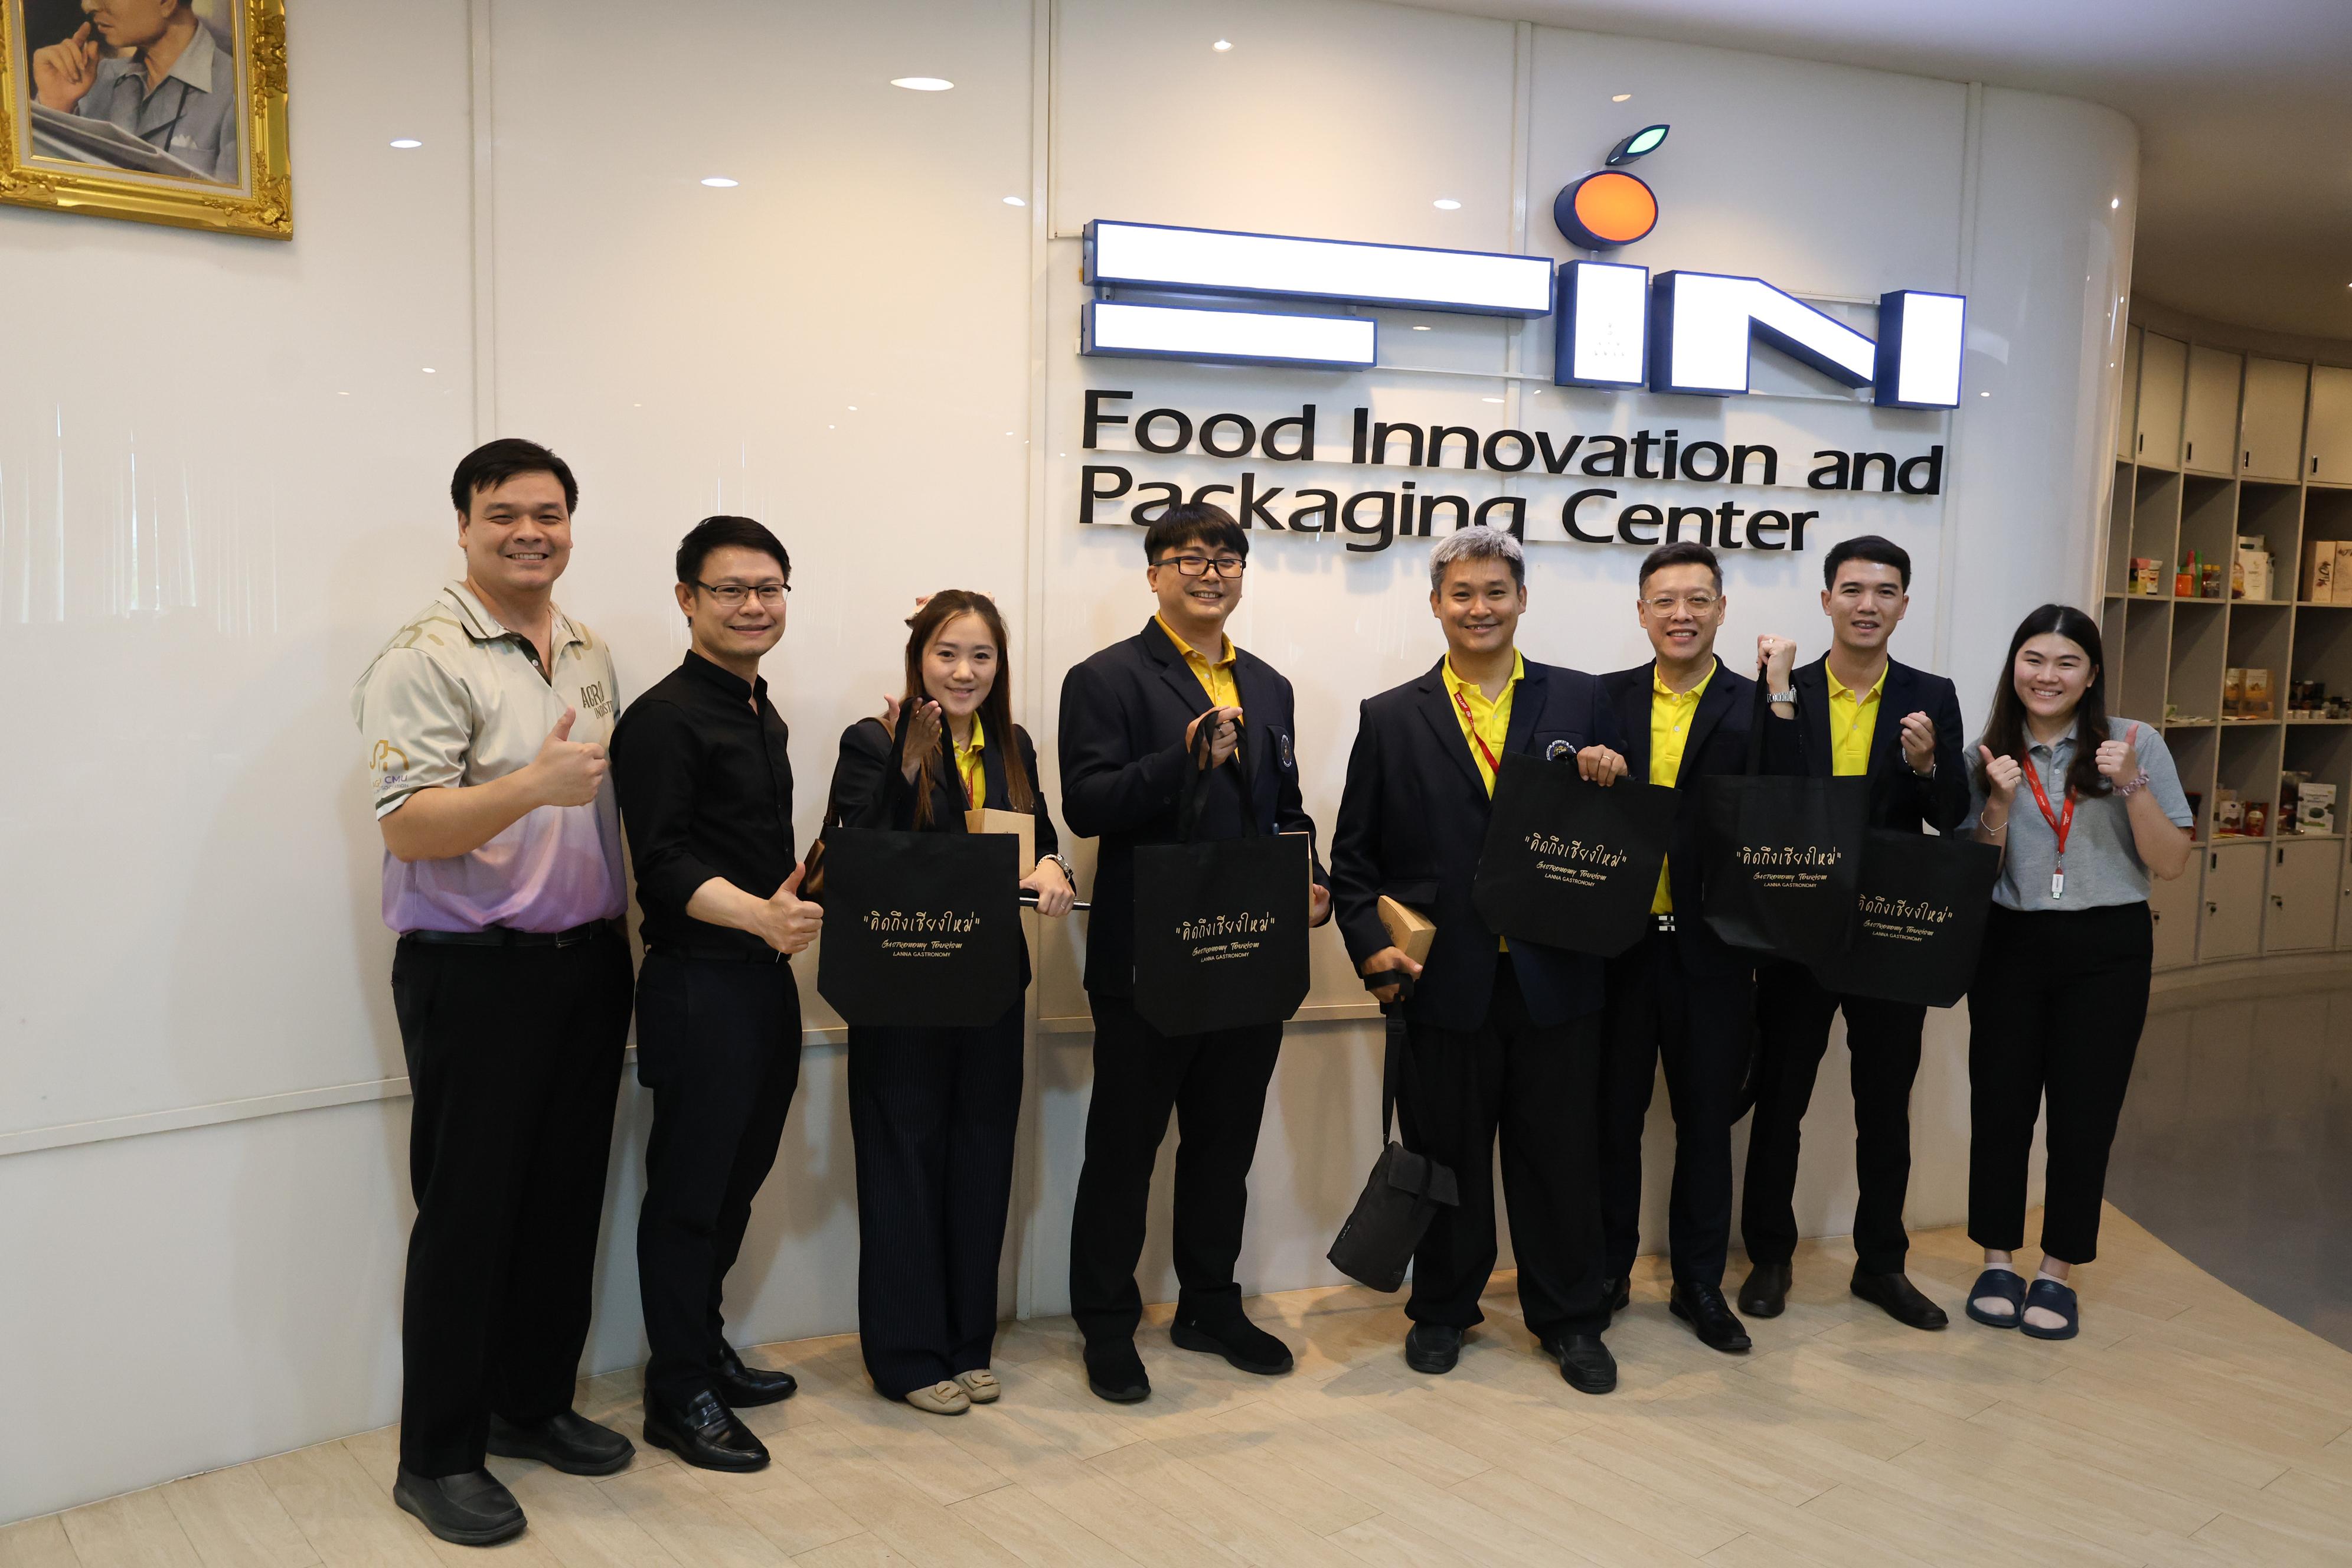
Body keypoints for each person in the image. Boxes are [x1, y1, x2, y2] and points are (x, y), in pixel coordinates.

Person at [353, 439, 635, 1547]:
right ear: (464, 527)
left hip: (587, 963)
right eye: (504, 514)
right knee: (468, 1217)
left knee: (563, 1200)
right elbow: (409, 827)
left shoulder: (588, 647)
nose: (530, 533)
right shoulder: (423, 656)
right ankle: (436, 1458)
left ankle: (530, 1405)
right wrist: (529, 786)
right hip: (476, 972)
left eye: (549, 514)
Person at [1331, 527, 1630, 1395]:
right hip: (1442, 980)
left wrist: (1615, 774)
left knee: (1560, 1158)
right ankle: (1442, 1307)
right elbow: (1355, 863)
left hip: (1557, 975)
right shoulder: (1392, 716)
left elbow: (1624, 830)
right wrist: (1371, 946)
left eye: (1496, 591)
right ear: (1436, 605)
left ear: (1522, 599)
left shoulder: (1581, 699)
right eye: (1461, 593)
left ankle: (1570, 1318)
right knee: (1447, 1157)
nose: (1480, 607)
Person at [1059, 501, 1332, 1404]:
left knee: (1223, 1147)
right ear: (1154, 575)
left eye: (1227, 559)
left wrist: (1311, 875)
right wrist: (1183, 760)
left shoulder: (1269, 683)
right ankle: (1107, 1325)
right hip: (1149, 959)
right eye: (1190, 558)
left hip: (1248, 954)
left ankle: (1209, 1305)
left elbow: (1285, 808)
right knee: (1124, 1151)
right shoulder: (1105, 678)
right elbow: (1088, 804)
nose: (1211, 573)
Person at [828, 592, 1076, 1415]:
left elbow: (1039, 838)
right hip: (900, 983)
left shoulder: (1013, 746)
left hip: (989, 983)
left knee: (981, 1157)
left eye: (981, 656)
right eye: (947, 653)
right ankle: (905, 1355)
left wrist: (1054, 868)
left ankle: (968, 1342)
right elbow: (854, 851)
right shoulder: (871, 739)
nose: (964, 672)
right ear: (918, 661)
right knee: (901, 1159)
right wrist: (906, 765)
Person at [607, 517, 821, 1474]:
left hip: (761, 982)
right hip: (698, 985)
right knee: (690, 1198)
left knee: (736, 1185)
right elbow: (660, 864)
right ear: (687, 599)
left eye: (768, 588)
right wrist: (758, 918)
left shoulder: (759, 710)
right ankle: (675, 1392)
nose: (752, 606)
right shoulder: (663, 718)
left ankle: (702, 1345)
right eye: (730, 589)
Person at [1739, 534, 1968, 1331]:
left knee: (1885, 1105)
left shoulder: (1930, 695)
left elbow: (1952, 815)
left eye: (1885, 591)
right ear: (1827, 600)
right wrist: (1774, 694)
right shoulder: (1785, 685)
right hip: (1798, 928)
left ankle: (1881, 1265)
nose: (1868, 604)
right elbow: (1762, 795)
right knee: (1780, 1100)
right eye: (1853, 590)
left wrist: (1930, 767)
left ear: (1903, 604)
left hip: (1888, 930)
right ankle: (1770, 1255)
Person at [1962, 605, 2191, 1339]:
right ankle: (1997, 1260)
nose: (2048, 676)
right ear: (2015, 667)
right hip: (2010, 941)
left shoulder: (2136, 742)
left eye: (2067, 662)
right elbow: (1975, 874)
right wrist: (1999, 800)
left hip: (2107, 946)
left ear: (2092, 675)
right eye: (2034, 659)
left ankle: (2057, 1271)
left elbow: (2171, 862)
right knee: (2001, 1106)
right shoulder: (1988, 752)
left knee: (2084, 1115)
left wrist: (2133, 786)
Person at [1596, 541, 1775, 1354]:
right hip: (1621, 951)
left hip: (1714, 955)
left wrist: (1782, 699)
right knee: (1612, 1121)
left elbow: (1785, 803)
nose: (1682, 614)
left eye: (1699, 600)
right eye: (1665, 601)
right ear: (1641, 613)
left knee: (1707, 1123)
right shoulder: (1601, 701)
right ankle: (1608, 1271)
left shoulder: (1759, 705)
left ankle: (1699, 1283)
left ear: (1722, 610)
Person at [31, 2, 241, 184]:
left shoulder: (239, 94)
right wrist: (56, 105)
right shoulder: (92, 78)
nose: (88, 5)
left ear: (167, 2)